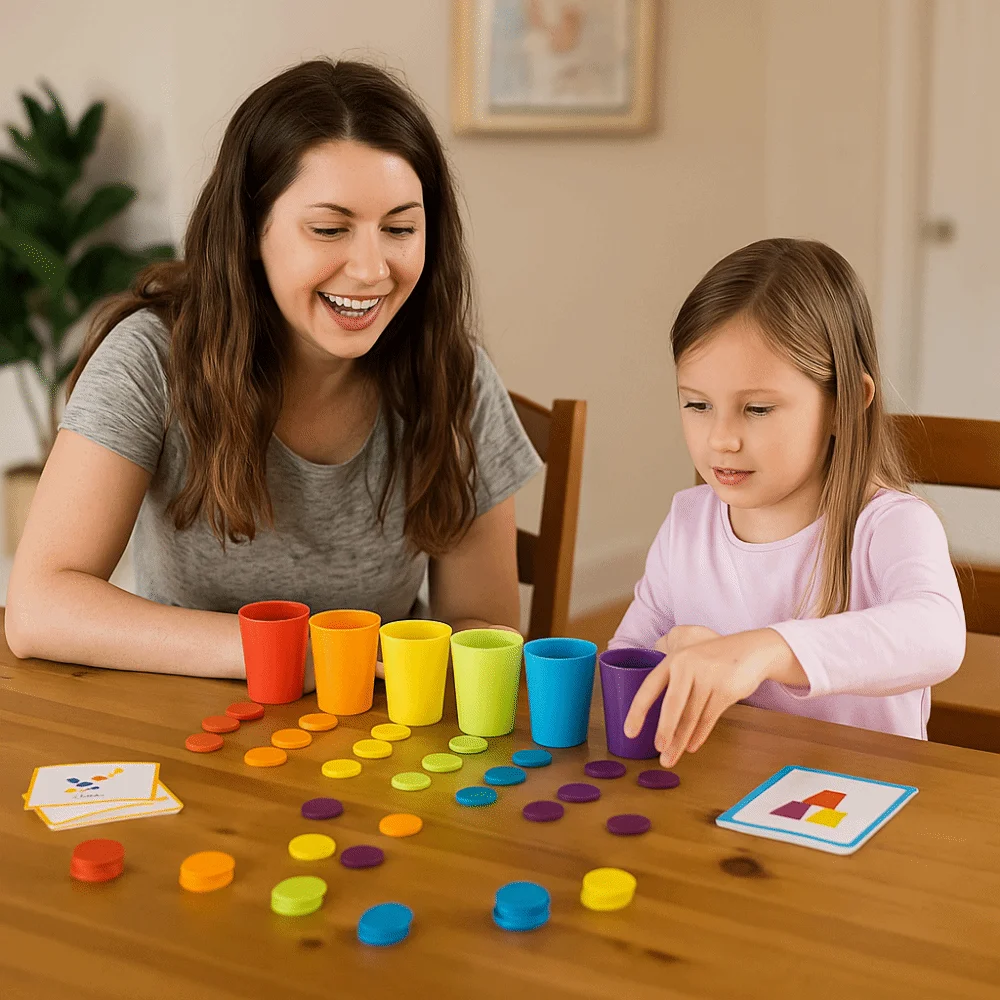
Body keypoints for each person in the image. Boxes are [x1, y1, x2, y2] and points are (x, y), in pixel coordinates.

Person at [5, 59, 541, 684]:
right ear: (250, 230)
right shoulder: (152, 359)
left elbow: (481, 627)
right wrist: (289, 656)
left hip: (371, 730)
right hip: (186, 716)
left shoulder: (453, 374)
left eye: (400, 228)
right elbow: (39, 607)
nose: (372, 270)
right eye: (328, 228)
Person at [612, 238, 965, 767]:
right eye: (697, 404)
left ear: (846, 405)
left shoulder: (889, 526)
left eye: (756, 408)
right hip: (723, 802)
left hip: (860, 806)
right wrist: (658, 658)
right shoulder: (686, 523)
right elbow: (624, 666)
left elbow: (937, 635)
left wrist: (764, 650)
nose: (721, 439)